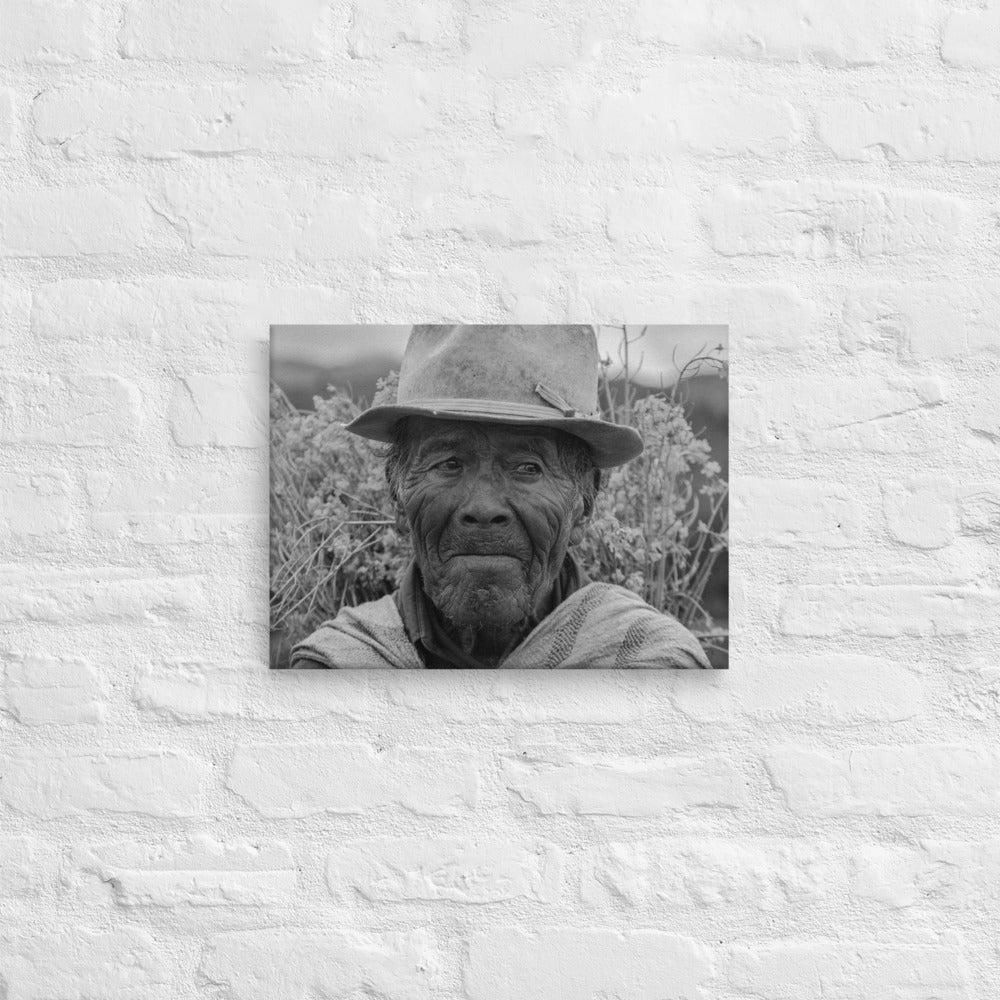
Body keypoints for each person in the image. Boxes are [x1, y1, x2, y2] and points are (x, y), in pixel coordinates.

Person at [290, 325, 710, 669]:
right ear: (398, 498)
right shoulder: (337, 666)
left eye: (528, 468)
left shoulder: (649, 665)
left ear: (585, 504)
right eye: (448, 464)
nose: (484, 508)